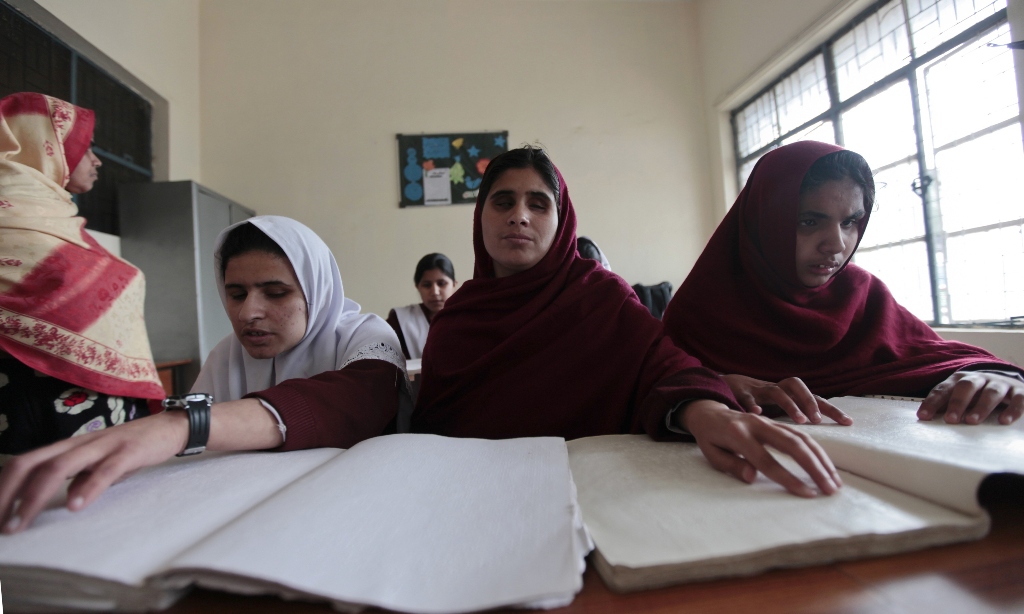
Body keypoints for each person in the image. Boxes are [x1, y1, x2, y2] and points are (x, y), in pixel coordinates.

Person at [412, 146, 842, 498]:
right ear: (480, 217)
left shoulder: (599, 297)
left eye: (538, 204)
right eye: (503, 201)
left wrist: (704, 408)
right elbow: (430, 438)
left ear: (562, 223)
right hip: (474, 500)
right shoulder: (457, 323)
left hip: (601, 498)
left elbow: (661, 365)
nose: (519, 216)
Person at [0, 215, 408, 533]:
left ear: (316, 289)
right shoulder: (227, 355)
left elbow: (361, 399)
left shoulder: (364, 335)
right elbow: (190, 455)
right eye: (235, 294)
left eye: (276, 292)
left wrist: (184, 426)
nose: (249, 312)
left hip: (355, 515)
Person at [662, 140, 1024, 427]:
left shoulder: (863, 295)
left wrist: (991, 374)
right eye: (808, 221)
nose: (836, 245)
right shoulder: (699, 310)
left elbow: (929, 357)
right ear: (763, 221)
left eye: (851, 222)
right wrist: (713, 386)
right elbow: (653, 391)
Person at [0, 92, 165, 455]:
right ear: (47, 149)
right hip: (37, 403)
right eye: (85, 147)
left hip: (81, 398)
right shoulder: (13, 215)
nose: (96, 161)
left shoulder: (50, 215)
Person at [386, 253, 457, 359]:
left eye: (441, 283)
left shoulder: (468, 317)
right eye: (427, 285)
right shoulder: (399, 321)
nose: (435, 292)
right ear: (417, 287)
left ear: (454, 284)